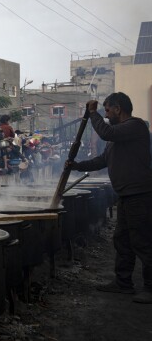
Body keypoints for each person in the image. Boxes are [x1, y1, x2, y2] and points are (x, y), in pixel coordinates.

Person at [67, 93, 152, 304]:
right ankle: (123, 283)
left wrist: (93, 113)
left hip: (140, 194)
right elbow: (101, 161)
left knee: (142, 242)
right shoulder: (116, 138)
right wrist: (77, 166)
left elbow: (105, 132)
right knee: (122, 240)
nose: (106, 115)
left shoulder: (135, 126)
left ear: (118, 108)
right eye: (103, 111)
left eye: (107, 110)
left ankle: (151, 288)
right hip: (126, 195)